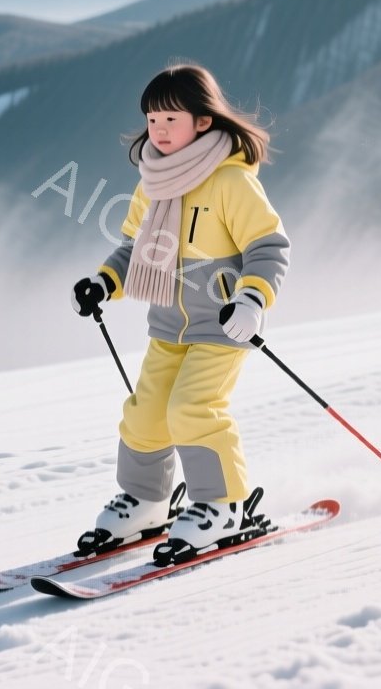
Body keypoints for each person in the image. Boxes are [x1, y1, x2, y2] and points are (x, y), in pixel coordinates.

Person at [70, 62, 291, 563]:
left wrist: (253, 299)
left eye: (172, 119)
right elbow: (134, 250)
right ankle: (147, 501)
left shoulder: (231, 183)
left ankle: (222, 505)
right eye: (152, 120)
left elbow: (269, 247)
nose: (160, 130)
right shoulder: (152, 182)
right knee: (145, 414)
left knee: (193, 409)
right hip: (169, 326)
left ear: (204, 121)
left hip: (222, 326)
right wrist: (103, 284)